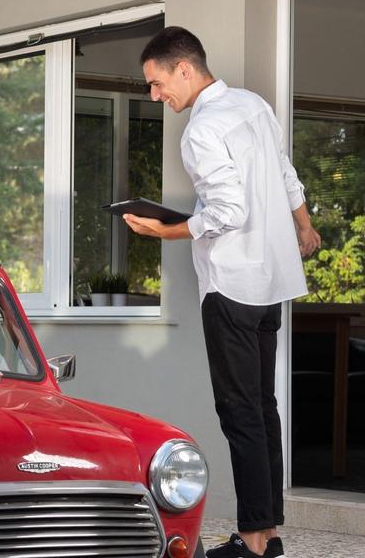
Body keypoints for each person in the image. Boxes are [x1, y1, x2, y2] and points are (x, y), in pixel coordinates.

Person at [127, 27, 321, 558]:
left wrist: (163, 230)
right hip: (270, 283)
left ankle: (253, 541)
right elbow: (285, 173)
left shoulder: (201, 129)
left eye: (157, 83)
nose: (155, 96)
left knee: (240, 413)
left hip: (232, 284)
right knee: (262, 408)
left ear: (183, 69)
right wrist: (304, 226)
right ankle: (269, 535)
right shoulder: (252, 105)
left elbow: (228, 211)